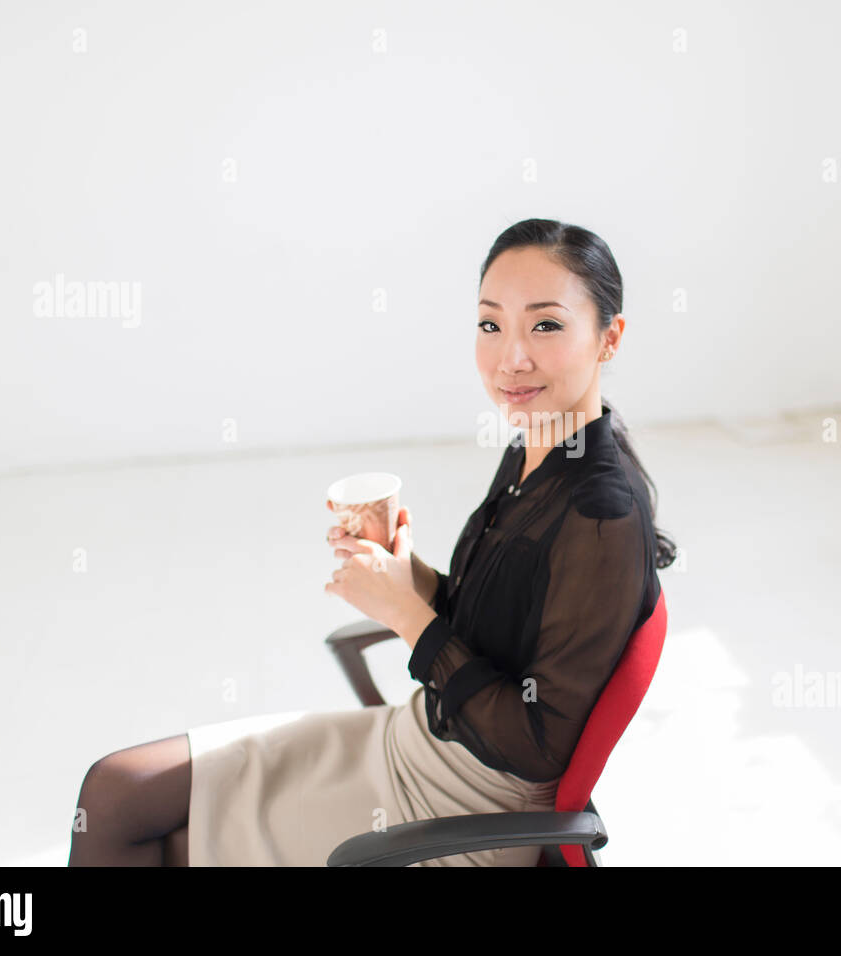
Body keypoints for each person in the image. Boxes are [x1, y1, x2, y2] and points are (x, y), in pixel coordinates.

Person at [67, 218, 677, 866]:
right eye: (491, 324)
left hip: (469, 798)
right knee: (118, 790)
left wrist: (406, 616)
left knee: (158, 838)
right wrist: (404, 571)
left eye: (546, 325)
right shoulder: (538, 444)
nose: (511, 358)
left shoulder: (602, 515)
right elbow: (501, 630)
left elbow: (535, 745)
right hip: (415, 737)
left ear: (609, 337)